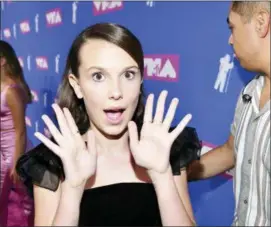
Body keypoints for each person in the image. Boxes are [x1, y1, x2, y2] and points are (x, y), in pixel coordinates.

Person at [16, 23, 202, 226]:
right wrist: (73, 189)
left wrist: (162, 175)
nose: (116, 91)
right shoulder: (53, 161)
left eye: (128, 75)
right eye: (98, 76)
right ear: (77, 85)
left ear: (141, 80)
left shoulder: (165, 147)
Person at [188, 1, 270, 226]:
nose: (230, 39)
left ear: (261, 23)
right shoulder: (250, 92)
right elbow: (230, 152)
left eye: (232, 28)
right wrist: (174, 172)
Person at [0, 40, 34, 226]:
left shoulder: (12, 91)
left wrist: (16, 162)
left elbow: (20, 131)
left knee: (23, 199)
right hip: (3, 151)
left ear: (2, 61)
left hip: (14, 151)